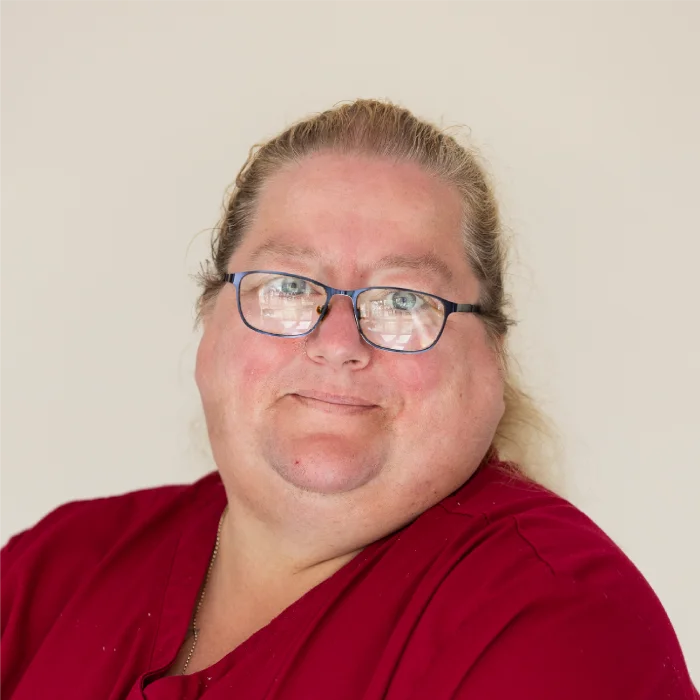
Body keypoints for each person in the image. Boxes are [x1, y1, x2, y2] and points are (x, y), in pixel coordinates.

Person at [0, 99, 697, 700]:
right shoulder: (56, 568)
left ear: (492, 354)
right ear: (209, 319)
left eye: (403, 299)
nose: (338, 343)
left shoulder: (560, 623)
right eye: (288, 286)